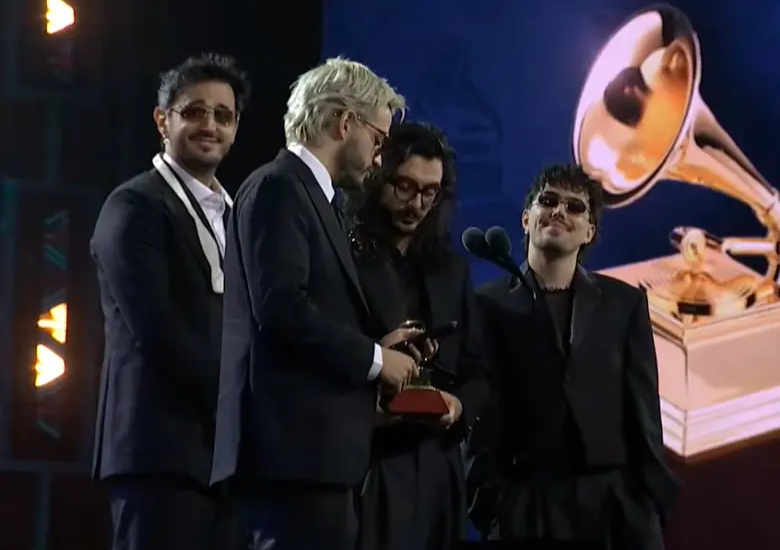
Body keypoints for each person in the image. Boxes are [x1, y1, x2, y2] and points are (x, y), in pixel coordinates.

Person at [211, 57, 419, 550]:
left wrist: (377, 345)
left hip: (315, 460)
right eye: (379, 139)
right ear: (345, 122)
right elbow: (282, 308)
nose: (378, 158)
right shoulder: (279, 187)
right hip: (291, 459)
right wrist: (375, 359)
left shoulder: (311, 197)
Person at [467, 164, 680, 549]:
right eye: (548, 201)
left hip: (617, 507)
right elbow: (477, 419)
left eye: (575, 207)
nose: (559, 211)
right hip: (527, 503)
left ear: (589, 232)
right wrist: (494, 507)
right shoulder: (484, 305)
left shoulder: (625, 303)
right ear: (526, 219)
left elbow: (644, 414)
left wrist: (647, 501)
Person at [90, 53, 250, 550]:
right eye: (194, 111)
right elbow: (159, 333)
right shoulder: (134, 205)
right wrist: (246, 401)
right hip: (158, 453)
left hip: (223, 459)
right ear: (163, 120)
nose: (210, 126)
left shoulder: (235, 214)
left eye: (223, 115)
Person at [345, 122, 491, 550]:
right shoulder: (343, 255)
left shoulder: (452, 268)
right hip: (367, 463)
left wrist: (457, 406)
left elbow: (478, 371)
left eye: (431, 193)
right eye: (405, 187)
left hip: (439, 468)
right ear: (378, 176)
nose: (417, 204)